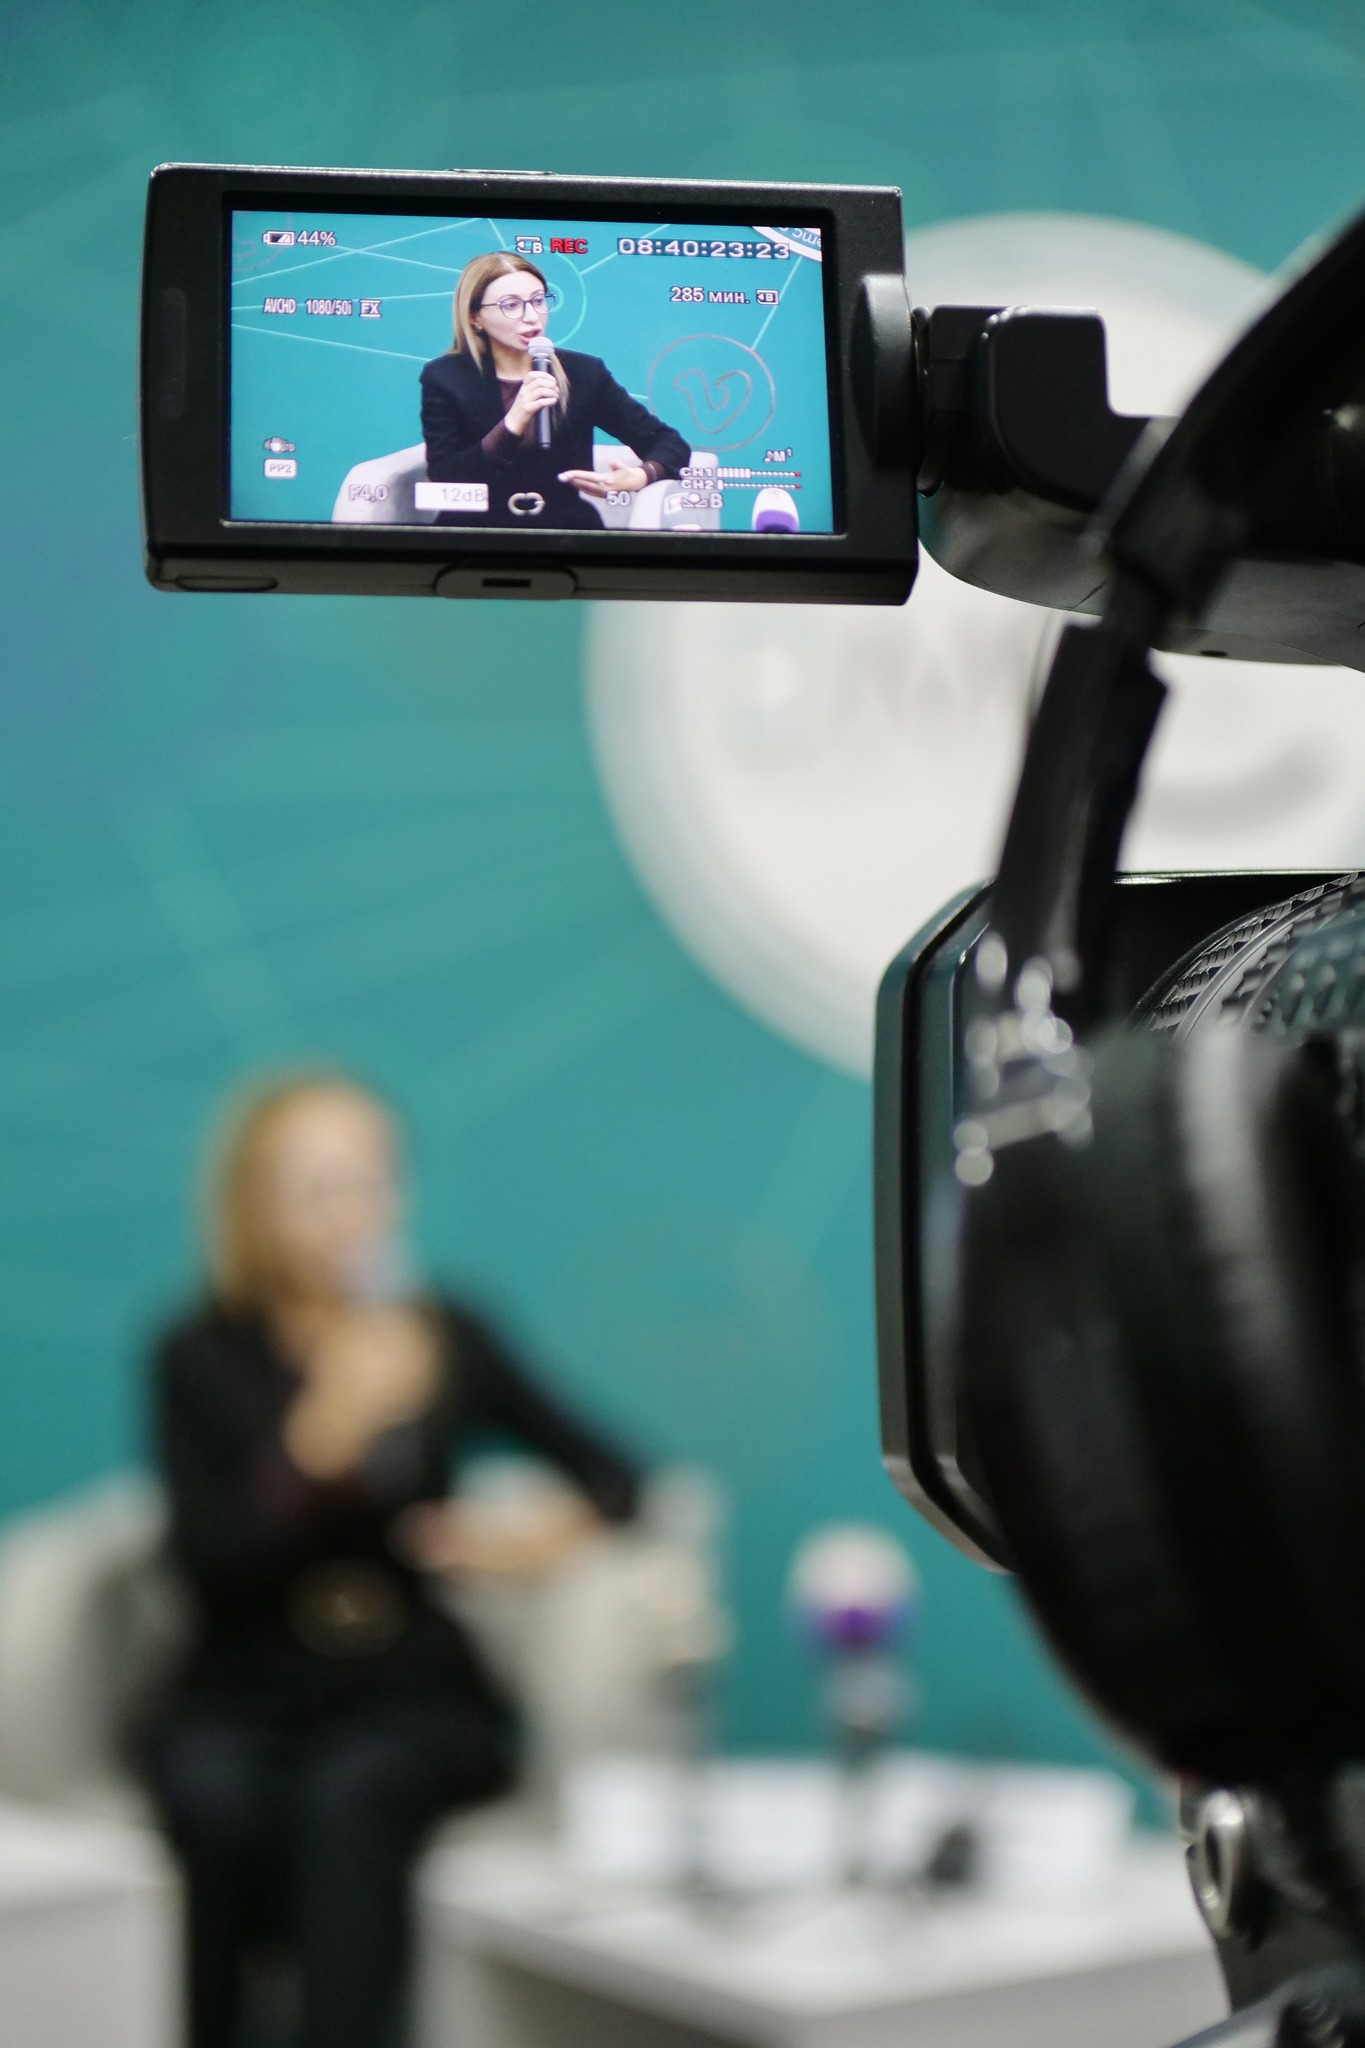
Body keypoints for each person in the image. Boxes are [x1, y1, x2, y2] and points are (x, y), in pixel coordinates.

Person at [141, 1074, 641, 2048]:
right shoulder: (197, 1350)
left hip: (404, 1687)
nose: (352, 1213)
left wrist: (528, 1539)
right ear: (256, 1203)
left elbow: (618, 1475)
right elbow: (210, 1565)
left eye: (371, 1181)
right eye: (319, 1189)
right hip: (244, 1683)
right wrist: (324, 1434)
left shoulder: (446, 1332)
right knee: (215, 1796)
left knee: (351, 1792)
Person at [419, 251, 691, 529]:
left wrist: (641, 475)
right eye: (511, 305)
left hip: (566, 530)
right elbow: (444, 476)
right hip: (472, 532)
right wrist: (512, 424)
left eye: (538, 301)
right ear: (475, 317)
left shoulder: (584, 373)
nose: (531, 317)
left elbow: (668, 442)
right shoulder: (445, 377)